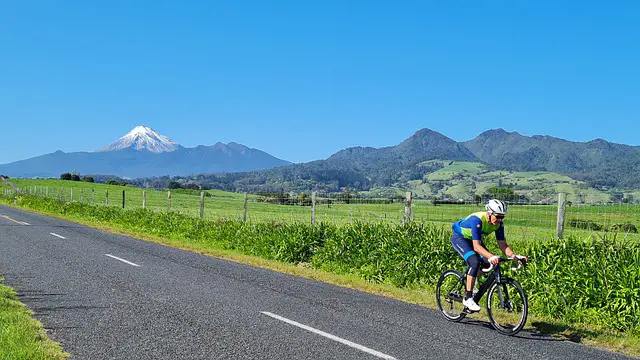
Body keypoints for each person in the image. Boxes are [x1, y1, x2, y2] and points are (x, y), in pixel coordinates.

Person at [450, 199, 527, 312]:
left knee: (486, 264)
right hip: (460, 239)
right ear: (489, 213)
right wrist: (491, 256)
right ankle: (468, 297)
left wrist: (515, 256)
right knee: (474, 262)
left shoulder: (498, 224)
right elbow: (476, 247)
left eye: (502, 217)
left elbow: (502, 245)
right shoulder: (477, 220)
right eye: (498, 216)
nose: (500, 220)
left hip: (473, 240)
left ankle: (473, 283)